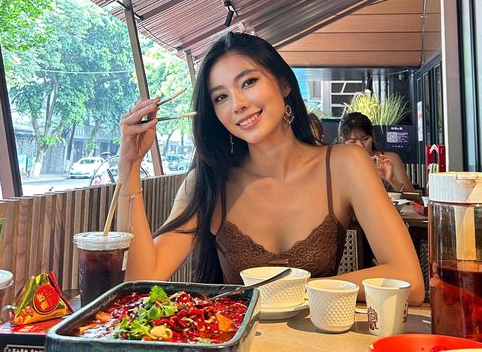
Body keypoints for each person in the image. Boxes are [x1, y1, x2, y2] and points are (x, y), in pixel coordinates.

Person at [117, 33, 424, 305]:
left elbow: (409, 280)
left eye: (248, 82)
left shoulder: (345, 164)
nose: (237, 104)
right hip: (237, 348)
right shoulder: (209, 181)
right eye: (221, 97)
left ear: (284, 84)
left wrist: (297, 291)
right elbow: (140, 282)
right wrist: (129, 167)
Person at [338, 112, 415, 193]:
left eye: (365, 139)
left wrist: (391, 180)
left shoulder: (388, 159)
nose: (361, 145)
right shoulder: (338, 164)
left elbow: (413, 196)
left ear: (372, 136)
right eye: (353, 141)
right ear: (343, 142)